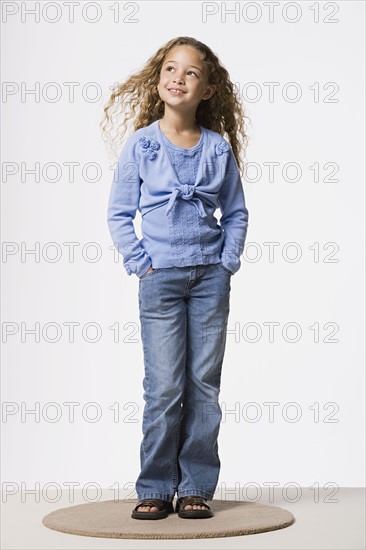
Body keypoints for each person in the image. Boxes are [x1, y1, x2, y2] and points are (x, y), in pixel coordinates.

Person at [102, 36, 249, 520]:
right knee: (164, 387)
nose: (178, 78)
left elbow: (237, 212)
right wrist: (140, 262)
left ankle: (195, 486)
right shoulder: (142, 144)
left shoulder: (216, 148)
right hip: (160, 279)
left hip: (209, 278)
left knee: (203, 384)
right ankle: (155, 486)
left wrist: (227, 261)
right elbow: (120, 213)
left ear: (208, 90)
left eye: (190, 72)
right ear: (158, 78)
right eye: (170, 68)